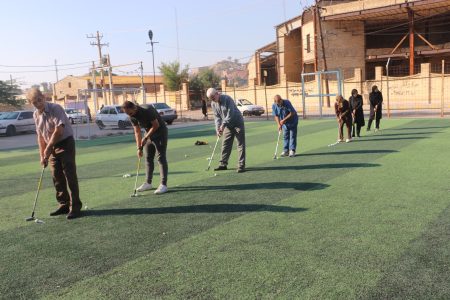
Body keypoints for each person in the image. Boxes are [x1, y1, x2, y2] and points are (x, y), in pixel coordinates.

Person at [27, 88, 82, 219]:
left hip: (65, 143)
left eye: (39, 100)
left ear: (44, 97)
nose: (38, 104)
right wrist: (42, 155)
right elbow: (40, 136)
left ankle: (75, 206)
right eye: (34, 102)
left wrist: (49, 147)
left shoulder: (55, 108)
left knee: (69, 175)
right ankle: (63, 204)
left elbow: (59, 130)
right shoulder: (35, 115)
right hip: (51, 147)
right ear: (31, 103)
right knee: (56, 176)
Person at [122, 101, 169, 194]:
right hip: (148, 134)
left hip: (160, 133)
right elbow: (137, 131)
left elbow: (156, 125)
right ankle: (148, 183)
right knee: (148, 158)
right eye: (127, 114)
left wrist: (146, 137)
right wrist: (139, 148)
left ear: (134, 107)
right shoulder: (132, 117)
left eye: (130, 113)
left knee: (160, 158)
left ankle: (163, 185)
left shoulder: (147, 110)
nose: (130, 115)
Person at [207, 87, 246, 173]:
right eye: (211, 99)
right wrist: (218, 128)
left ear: (217, 94)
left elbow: (230, 114)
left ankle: (241, 165)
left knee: (240, 144)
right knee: (225, 144)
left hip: (237, 123)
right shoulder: (213, 104)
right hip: (227, 125)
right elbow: (217, 117)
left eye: (213, 98)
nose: (213, 100)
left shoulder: (227, 99)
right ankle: (223, 164)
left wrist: (223, 125)